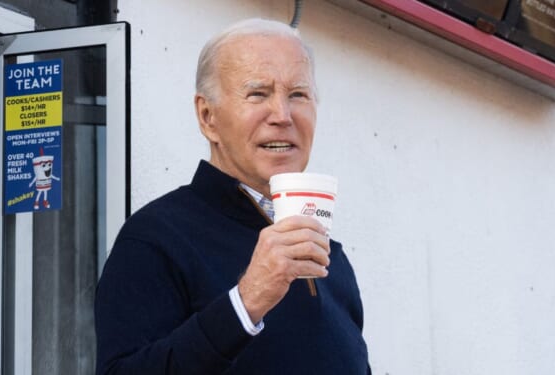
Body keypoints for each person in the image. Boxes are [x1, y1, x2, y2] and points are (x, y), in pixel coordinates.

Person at [95, 18, 370, 374]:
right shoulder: (154, 239)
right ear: (207, 116)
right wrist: (246, 303)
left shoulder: (332, 258)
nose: (282, 115)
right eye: (258, 93)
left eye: (298, 94)